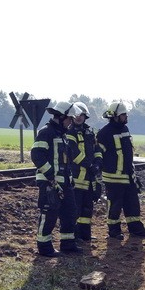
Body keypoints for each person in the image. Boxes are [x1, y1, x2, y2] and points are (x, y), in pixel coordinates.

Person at [31, 102, 82, 256]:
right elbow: (37, 155)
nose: (71, 122)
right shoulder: (46, 132)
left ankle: (68, 244)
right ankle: (44, 247)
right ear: (61, 117)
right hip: (49, 182)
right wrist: (51, 176)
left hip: (64, 183)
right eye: (69, 119)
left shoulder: (62, 134)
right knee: (49, 214)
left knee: (70, 212)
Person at [97, 100, 145, 239]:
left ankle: (136, 230)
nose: (126, 117)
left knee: (132, 203)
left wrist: (132, 173)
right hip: (113, 177)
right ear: (115, 116)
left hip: (128, 175)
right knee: (115, 205)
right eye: (123, 114)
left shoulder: (125, 129)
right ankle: (114, 231)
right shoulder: (104, 133)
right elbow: (98, 154)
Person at [67, 102, 102, 242]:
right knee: (75, 209)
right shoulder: (69, 132)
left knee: (87, 208)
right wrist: (90, 165)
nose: (78, 117)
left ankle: (85, 235)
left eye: (81, 114)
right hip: (76, 178)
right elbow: (73, 153)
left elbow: (97, 150)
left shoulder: (89, 132)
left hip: (89, 178)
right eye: (76, 115)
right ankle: (74, 235)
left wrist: (98, 163)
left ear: (85, 116)